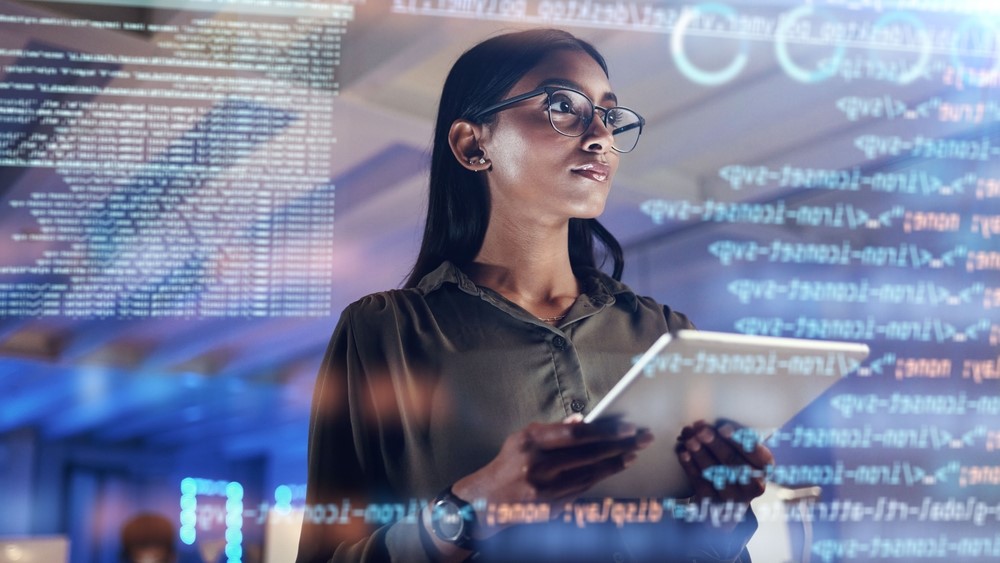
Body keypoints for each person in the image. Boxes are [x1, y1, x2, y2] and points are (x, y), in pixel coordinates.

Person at [296, 28, 773, 562]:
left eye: (609, 116)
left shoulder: (665, 335)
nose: (599, 137)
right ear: (473, 144)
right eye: (563, 106)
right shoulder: (386, 333)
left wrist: (721, 520)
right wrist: (472, 509)